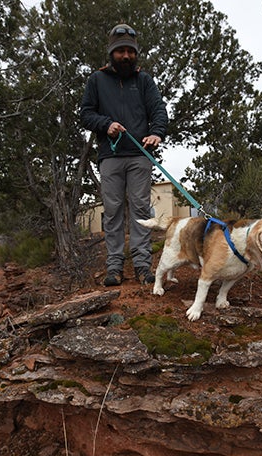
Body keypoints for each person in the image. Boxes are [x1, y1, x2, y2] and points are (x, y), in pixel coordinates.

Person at [80, 23, 168, 286]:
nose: (126, 56)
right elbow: (86, 114)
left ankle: (142, 266)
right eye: (121, 51)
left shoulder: (144, 80)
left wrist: (157, 133)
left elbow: (159, 110)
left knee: (141, 209)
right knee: (113, 210)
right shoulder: (96, 80)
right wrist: (106, 125)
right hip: (110, 156)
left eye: (131, 51)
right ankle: (114, 267)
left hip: (140, 155)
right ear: (112, 52)